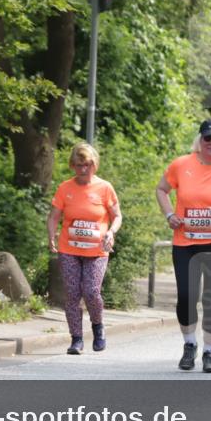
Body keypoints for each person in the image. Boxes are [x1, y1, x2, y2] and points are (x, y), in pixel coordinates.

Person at [155, 119, 211, 373]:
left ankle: (210, 352)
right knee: (186, 296)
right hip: (186, 241)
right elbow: (162, 190)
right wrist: (169, 215)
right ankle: (189, 344)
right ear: (200, 140)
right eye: (207, 138)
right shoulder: (181, 164)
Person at [47, 143, 122, 354]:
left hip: (97, 250)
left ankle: (98, 327)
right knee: (72, 293)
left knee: (91, 291)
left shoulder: (105, 188)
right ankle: (76, 339)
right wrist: (51, 234)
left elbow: (117, 216)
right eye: (79, 165)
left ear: (95, 165)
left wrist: (111, 232)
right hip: (69, 248)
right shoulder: (65, 188)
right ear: (72, 165)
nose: (83, 169)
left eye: (88, 165)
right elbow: (54, 216)